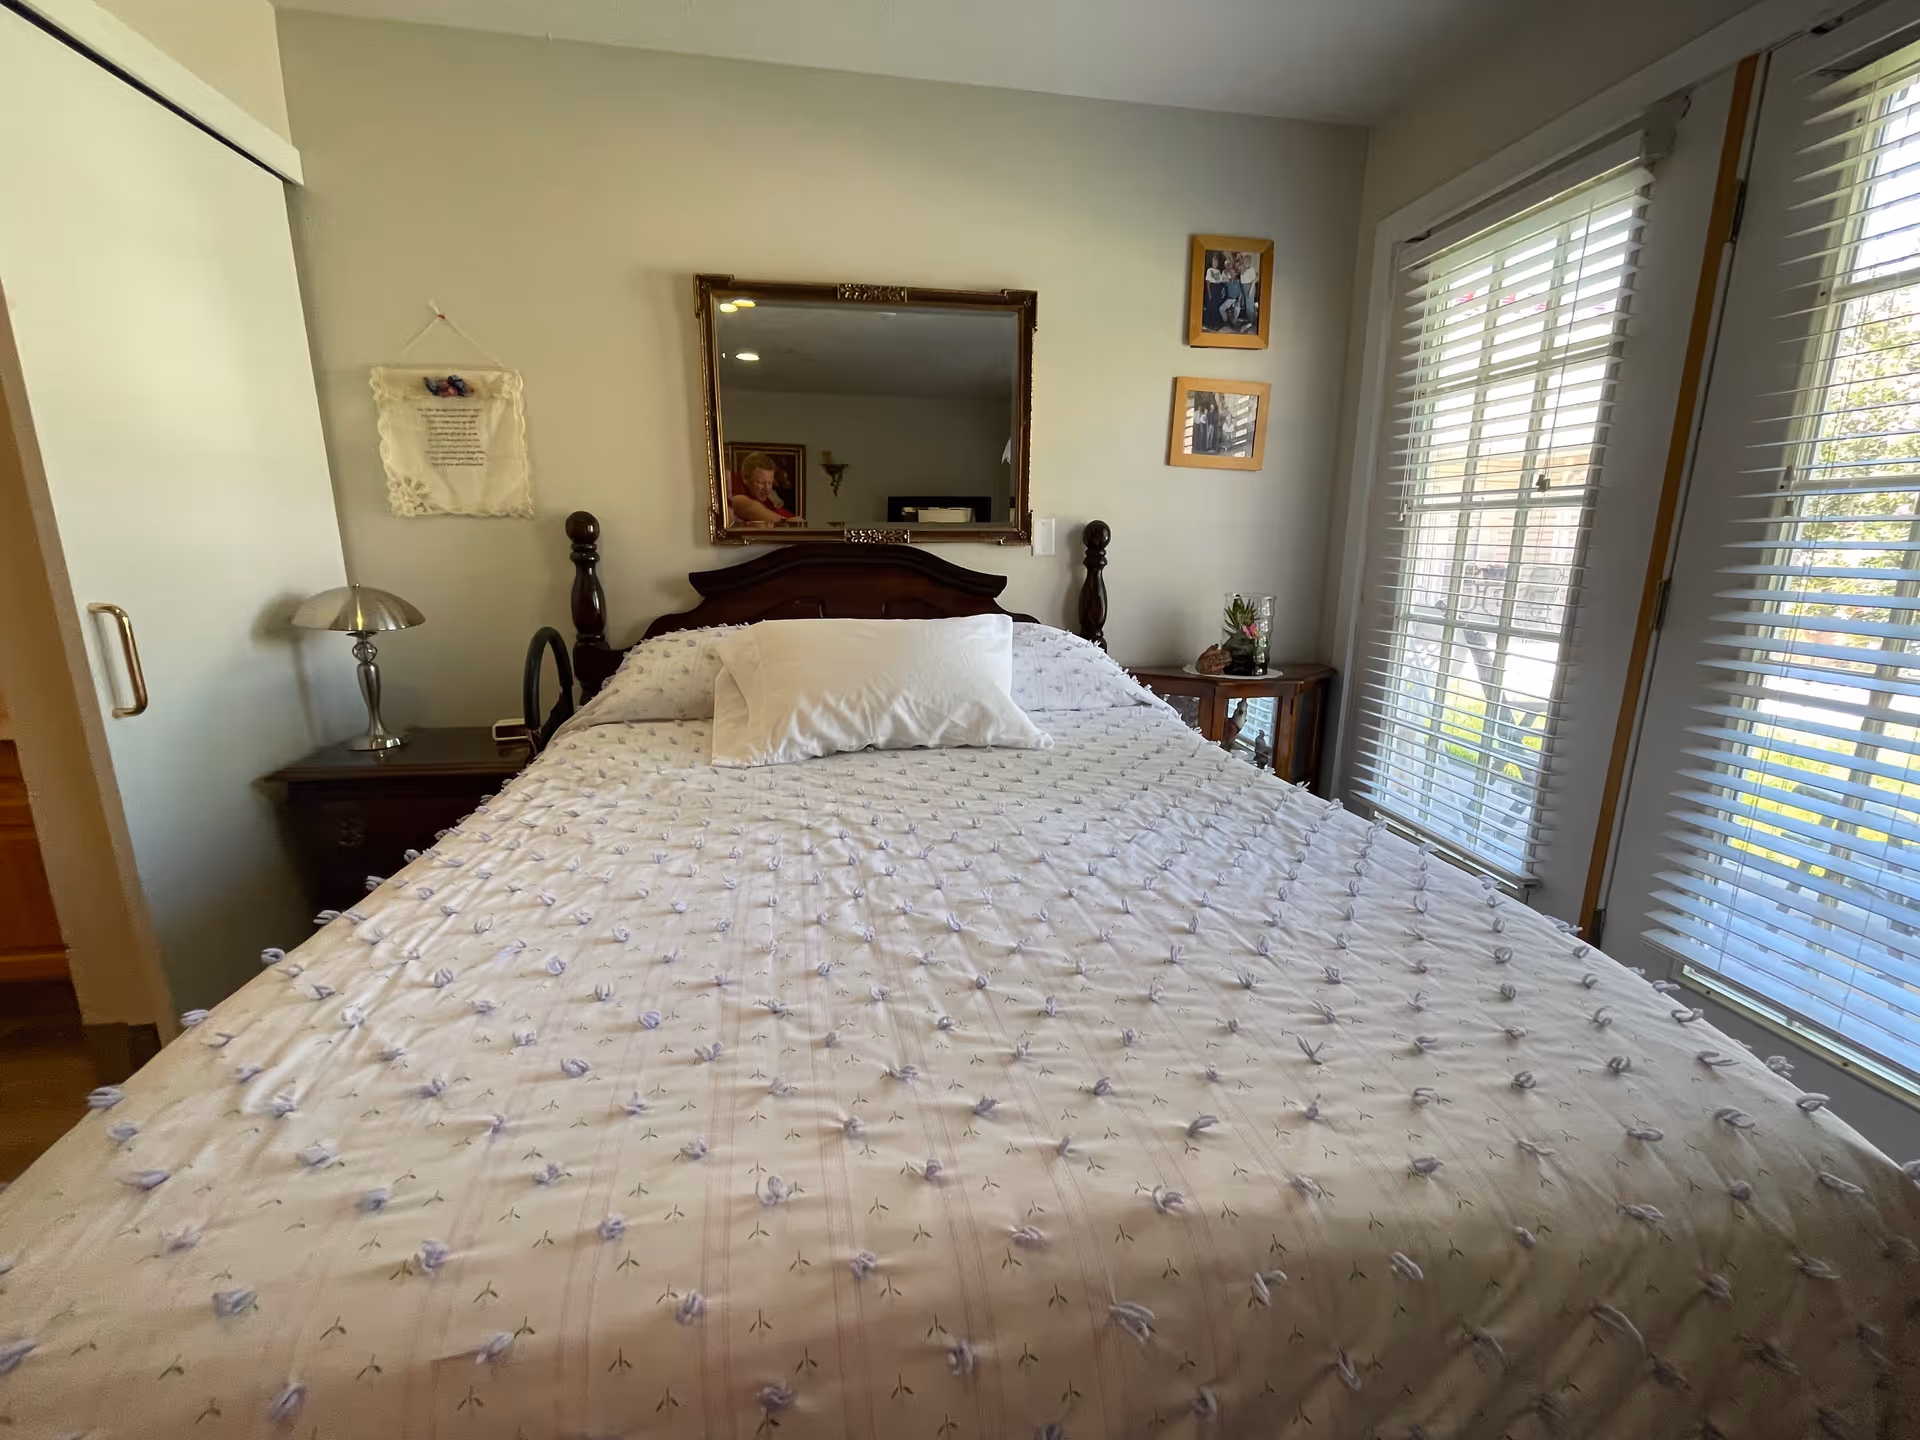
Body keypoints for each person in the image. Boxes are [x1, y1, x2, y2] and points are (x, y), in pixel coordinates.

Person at [729, 451, 795, 525]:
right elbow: (745, 505)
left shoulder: (767, 501)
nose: (767, 489)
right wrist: (785, 522)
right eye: (761, 482)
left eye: (770, 483)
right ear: (745, 478)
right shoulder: (735, 484)